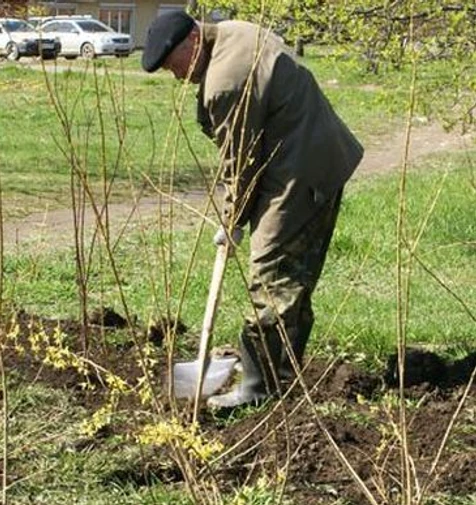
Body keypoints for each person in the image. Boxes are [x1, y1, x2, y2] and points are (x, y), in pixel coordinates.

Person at [142, 12, 364, 409]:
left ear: (194, 39)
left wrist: (232, 220)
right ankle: (280, 377)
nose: (177, 77)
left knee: (270, 276)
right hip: (315, 155)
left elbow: (240, 163)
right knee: (290, 278)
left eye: (175, 66)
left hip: (299, 172)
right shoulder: (234, 32)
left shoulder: (225, 82)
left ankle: (258, 390)